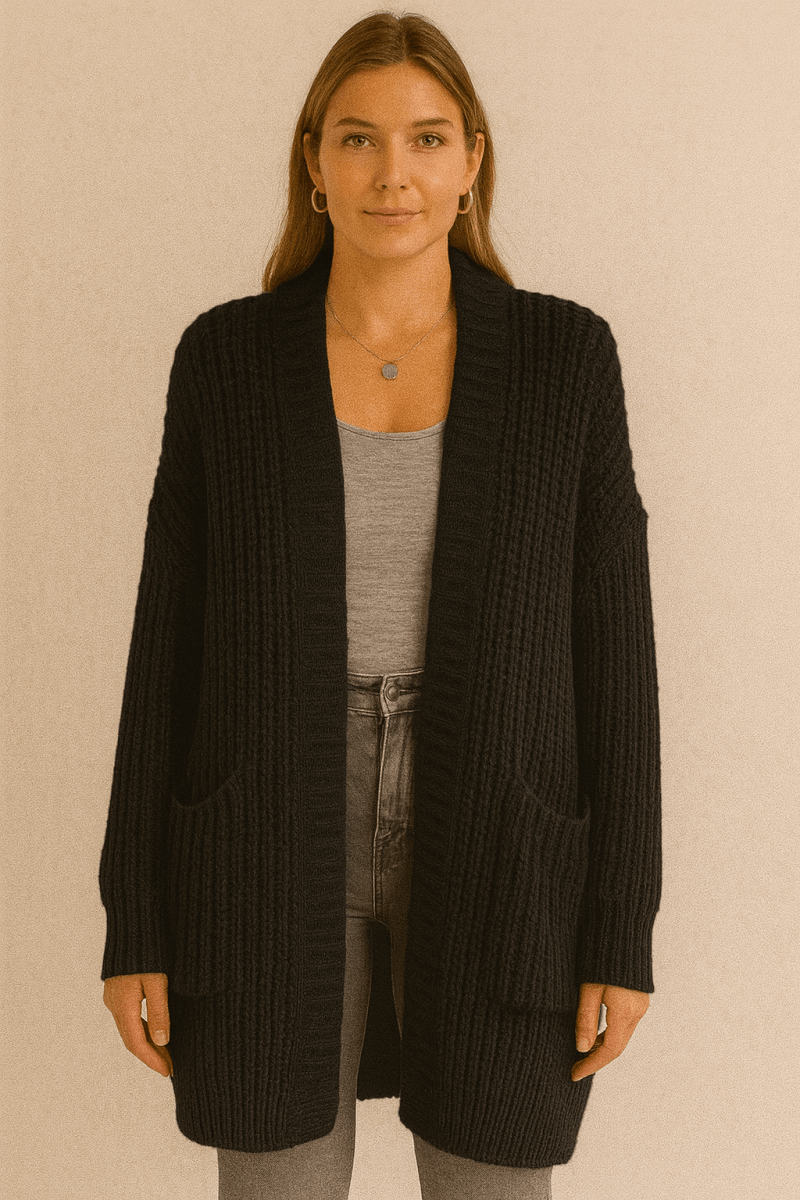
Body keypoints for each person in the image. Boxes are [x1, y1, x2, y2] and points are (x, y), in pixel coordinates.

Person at [99, 11, 661, 1199]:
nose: (391, 172)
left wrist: (620, 926)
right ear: (314, 163)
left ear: (470, 163)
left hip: (503, 833)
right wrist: (132, 916)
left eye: (425, 138)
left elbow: (614, 659)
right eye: (356, 138)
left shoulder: (564, 362)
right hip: (261, 831)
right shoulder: (227, 363)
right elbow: (164, 653)